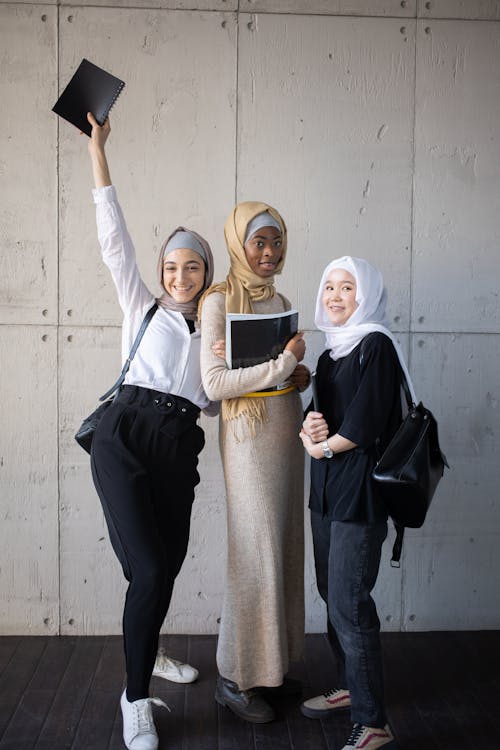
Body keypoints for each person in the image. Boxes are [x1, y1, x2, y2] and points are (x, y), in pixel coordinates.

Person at [84, 113, 216, 750]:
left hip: (179, 448)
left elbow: (224, 397)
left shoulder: (217, 331)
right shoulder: (143, 307)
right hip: (125, 437)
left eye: (191, 269)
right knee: (151, 571)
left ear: (206, 274)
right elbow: (113, 237)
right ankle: (135, 697)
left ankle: (150, 649)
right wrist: (98, 153)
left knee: (165, 565)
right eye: (171, 267)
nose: (179, 277)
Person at [199, 201, 309, 723]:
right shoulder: (218, 301)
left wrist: (297, 377)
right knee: (255, 549)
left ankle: (272, 667)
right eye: (259, 242)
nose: (269, 252)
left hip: (285, 432)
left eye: (276, 241)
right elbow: (216, 385)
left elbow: (271, 373)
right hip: (248, 440)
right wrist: (283, 362)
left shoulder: (280, 300)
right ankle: (233, 676)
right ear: (238, 244)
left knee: (284, 543)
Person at [299, 256, 404, 750]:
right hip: (324, 490)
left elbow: (361, 429)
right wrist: (310, 430)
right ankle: (350, 685)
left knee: (350, 602)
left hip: (359, 492)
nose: (336, 296)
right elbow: (318, 418)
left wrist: (320, 445)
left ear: (367, 295)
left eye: (347, 287)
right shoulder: (328, 355)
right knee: (330, 593)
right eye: (329, 287)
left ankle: (373, 722)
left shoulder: (375, 346)